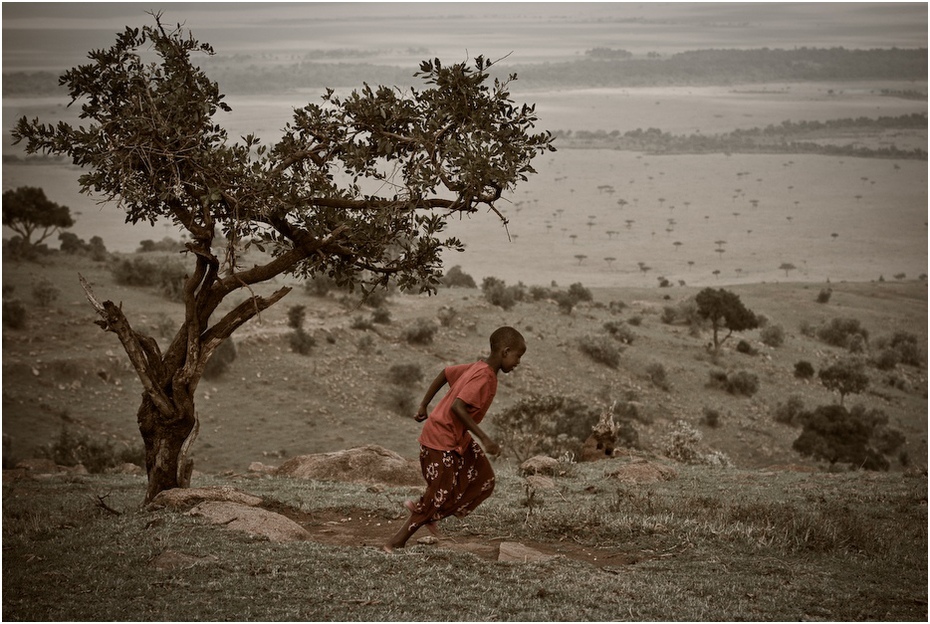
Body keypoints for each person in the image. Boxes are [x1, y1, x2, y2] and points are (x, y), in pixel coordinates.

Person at [382, 326, 526, 552]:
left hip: (456, 438)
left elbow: (445, 373)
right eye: (518, 356)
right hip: (440, 440)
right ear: (505, 351)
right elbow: (458, 407)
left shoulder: (479, 367)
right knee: (438, 493)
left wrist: (424, 404)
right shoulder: (484, 376)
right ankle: (397, 540)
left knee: (484, 480)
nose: (518, 362)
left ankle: (430, 511)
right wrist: (485, 439)